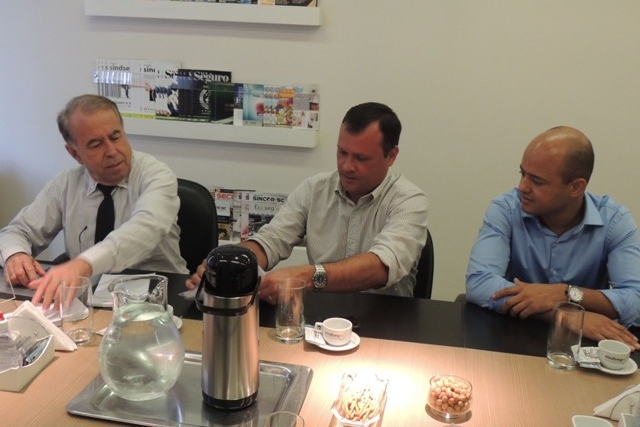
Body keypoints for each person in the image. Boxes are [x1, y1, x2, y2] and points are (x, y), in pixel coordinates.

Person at [186, 102, 429, 301]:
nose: (347, 166)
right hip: (321, 321)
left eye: (361, 158)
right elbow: (272, 240)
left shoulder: (409, 201)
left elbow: (380, 267)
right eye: (342, 152)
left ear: (391, 156)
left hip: (387, 323)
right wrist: (230, 263)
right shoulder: (314, 189)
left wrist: (307, 276)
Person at [0, 94, 187, 309]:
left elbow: (146, 227)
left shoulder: (156, 176)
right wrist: (16, 255)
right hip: (88, 300)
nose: (112, 151)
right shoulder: (66, 184)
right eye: (96, 144)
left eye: (115, 137)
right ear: (75, 153)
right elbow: (16, 232)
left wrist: (84, 263)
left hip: (160, 297)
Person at [465, 126, 640, 349]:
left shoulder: (614, 220)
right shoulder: (506, 209)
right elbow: (480, 282)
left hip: (579, 349)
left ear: (576, 187)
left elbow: (636, 299)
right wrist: (567, 316)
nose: (522, 187)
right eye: (522, 174)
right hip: (510, 338)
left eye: (537, 181)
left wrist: (565, 293)